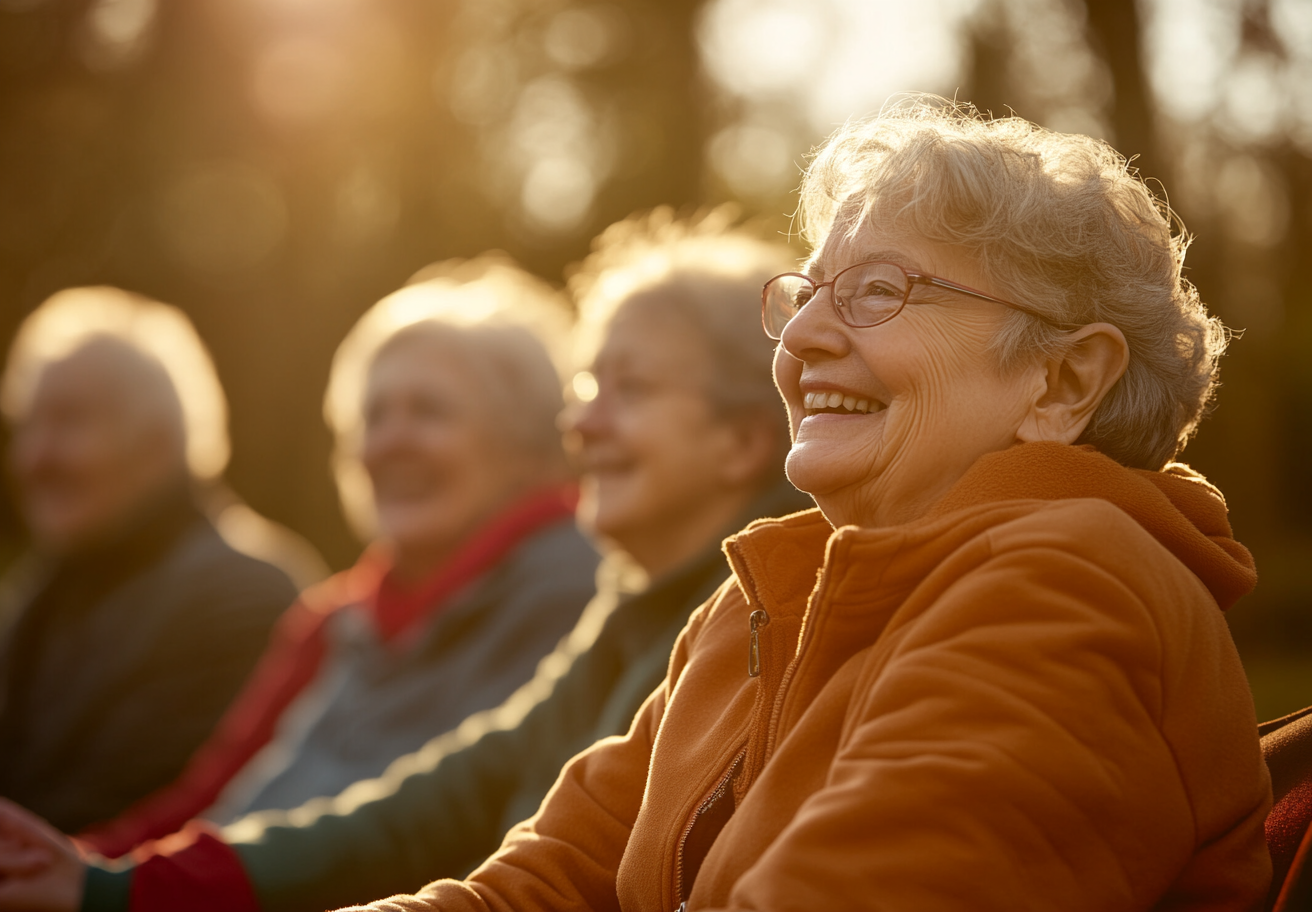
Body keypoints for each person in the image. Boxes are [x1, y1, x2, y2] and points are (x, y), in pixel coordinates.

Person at [350, 101, 1267, 908]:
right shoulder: (758, 604)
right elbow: (539, 886)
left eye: (879, 292)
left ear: (1063, 381)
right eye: (808, 293)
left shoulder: (1075, 591)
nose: (804, 337)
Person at [0, 209, 811, 911]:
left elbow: (527, 867)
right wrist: (111, 884)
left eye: (627, 390)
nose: (583, 425)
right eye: (588, 387)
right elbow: (428, 804)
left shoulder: (730, 611)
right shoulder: (628, 613)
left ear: (741, 440)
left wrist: (117, 889)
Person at [0, 287, 301, 833]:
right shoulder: (46, 595)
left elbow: (124, 826)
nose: (35, 457)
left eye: (69, 422)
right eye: (27, 426)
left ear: (156, 445)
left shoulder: (243, 598)